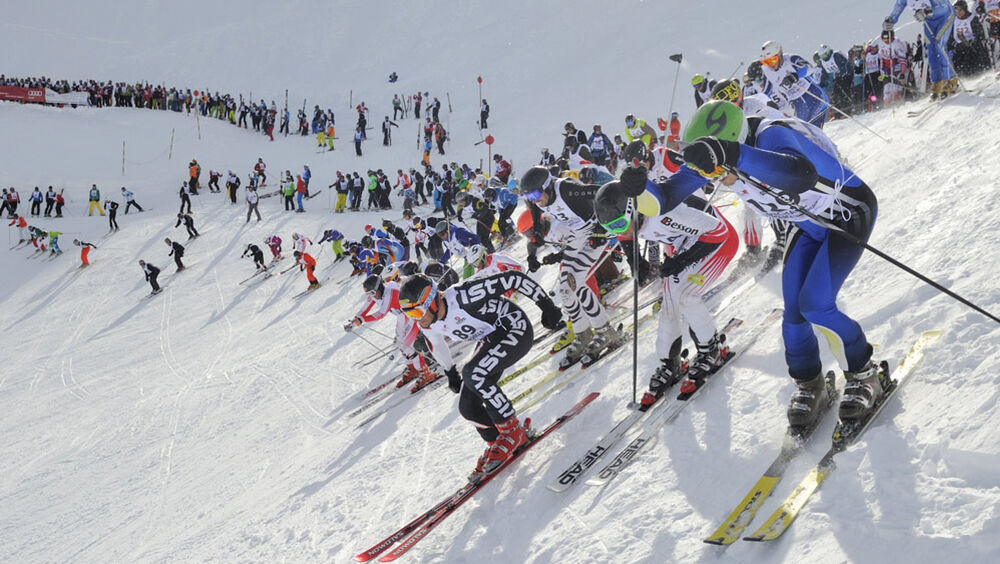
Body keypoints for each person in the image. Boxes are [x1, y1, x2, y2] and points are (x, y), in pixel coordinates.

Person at [676, 99, 881, 426]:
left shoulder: (770, 135)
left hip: (847, 215)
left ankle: (864, 372)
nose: (711, 178)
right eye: (706, 171)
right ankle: (810, 382)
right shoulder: (724, 164)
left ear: (734, 141)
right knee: (793, 317)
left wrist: (731, 154)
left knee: (816, 305)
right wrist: (631, 193)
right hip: (809, 226)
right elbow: (671, 191)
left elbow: (798, 173)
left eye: (712, 167)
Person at [595, 143, 740, 409]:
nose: (619, 232)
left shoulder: (664, 213)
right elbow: (625, 237)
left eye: (619, 224)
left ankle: (713, 348)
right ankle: (669, 362)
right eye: (611, 228)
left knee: (686, 296)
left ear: (632, 210)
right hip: (685, 244)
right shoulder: (626, 219)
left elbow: (717, 233)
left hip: (718, 241)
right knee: (669, 306)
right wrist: (637, 265)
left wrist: (682, 261)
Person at [398, 270, 563, 480]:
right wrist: (450, 371)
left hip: (514, 329)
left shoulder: (464, 295)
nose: (416, 321)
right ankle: (498, 441)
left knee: (473, 373)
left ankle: (512, 431)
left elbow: (513, 278)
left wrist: (546, 305)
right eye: (410, 315)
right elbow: (436, 345)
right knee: (467, 407)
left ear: (431, 301)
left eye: (416, 313)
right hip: (490, 339)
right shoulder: (429, 322)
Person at [520, 165, 624, 369]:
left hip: (594, 232)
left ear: (547, 185)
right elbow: (533, 207)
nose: (533, 199)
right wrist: (537, 228)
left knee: (576, 280)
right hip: (577, 234)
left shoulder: (567, 189)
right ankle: (583, 333)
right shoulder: (537, 199)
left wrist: (601, 229)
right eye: (528, 195)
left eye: (535, 193)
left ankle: (605, 331)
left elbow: (601, 192)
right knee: (565, 289)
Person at [346, 266, 436, 389]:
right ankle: (412, 368)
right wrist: (355, 319)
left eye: (372, 293)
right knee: (400, 343)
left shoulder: (390, 292)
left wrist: (362, 320)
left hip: (411, 314)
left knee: (407, 345)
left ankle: (426, 372)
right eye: (369, 294)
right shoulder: (377, 293)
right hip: (402, 316)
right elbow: (366, 307)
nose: (373, 296)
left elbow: (381, 313)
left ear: (379, 287)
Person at [885, 0, 957, 99]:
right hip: (929, 21)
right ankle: (937, 82)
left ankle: (950, 80)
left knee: (940, 45)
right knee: (931, 50)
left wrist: (927, 12)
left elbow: (944, 7)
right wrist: (891, 20)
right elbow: (899, 6)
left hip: (945, 16)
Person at [758, 41, 829, 126]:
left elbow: (810, 67)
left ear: (780, 54)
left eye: (772, 60)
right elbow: (765, 93)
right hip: (797, 103)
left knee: (815, 127)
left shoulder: (791, 59)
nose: (770, 65)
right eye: (766, 62)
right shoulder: (767, 73)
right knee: (805, 131)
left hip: (812, 94)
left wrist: (795, 75)